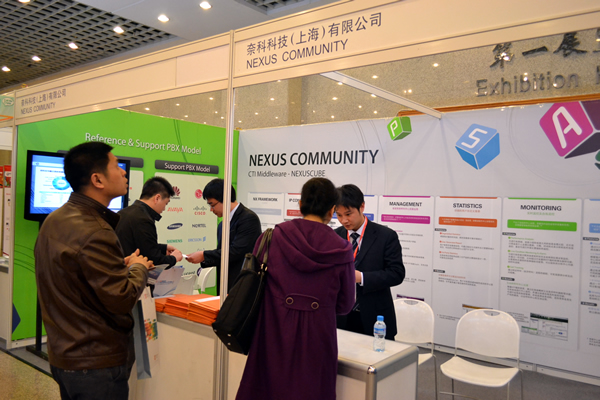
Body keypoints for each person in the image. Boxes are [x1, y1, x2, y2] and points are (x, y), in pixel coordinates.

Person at [34, 142, 153, 400]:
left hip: (65, 355)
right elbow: (121, 298)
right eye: (116, 166)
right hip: (96, 362)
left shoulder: (54, 219)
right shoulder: (95, 230)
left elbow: (74, 276)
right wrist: (138, 267)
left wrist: (117, 265)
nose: (123, 172)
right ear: (97, 179)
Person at [236, 177, 355, 400]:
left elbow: (254, 288)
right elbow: (345, 304)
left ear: (300, 204)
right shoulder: (342, 249)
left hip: (273, 333)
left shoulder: (272, 237)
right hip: (318, 338)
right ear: (332, 210)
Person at [334, 184, 405, 340]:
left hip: (375, 316)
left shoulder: (385, 236)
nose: (344, 220)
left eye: (348, 214)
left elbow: (396, 273)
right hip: (341, 317)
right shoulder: (334, 236)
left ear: (362, 206)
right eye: (338, 215)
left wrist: (361, 277)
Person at [187, 178, 262, 293]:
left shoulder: (248, 219)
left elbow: (236, 251)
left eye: (212, 205)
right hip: (224, 285)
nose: (211, 210)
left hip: (242, 285)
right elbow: (221, 254)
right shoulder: (222, 224)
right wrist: (202, 258)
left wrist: (204, 255)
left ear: (225, 199)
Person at [116, 176, 183, 269]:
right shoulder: (144, 220)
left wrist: (163, 248)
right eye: (166, 203)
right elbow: (154, 260)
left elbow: (141, 246)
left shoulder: (123, 213)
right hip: (133, 273)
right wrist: (174, 258)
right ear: (157, 198)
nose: (164, 208)